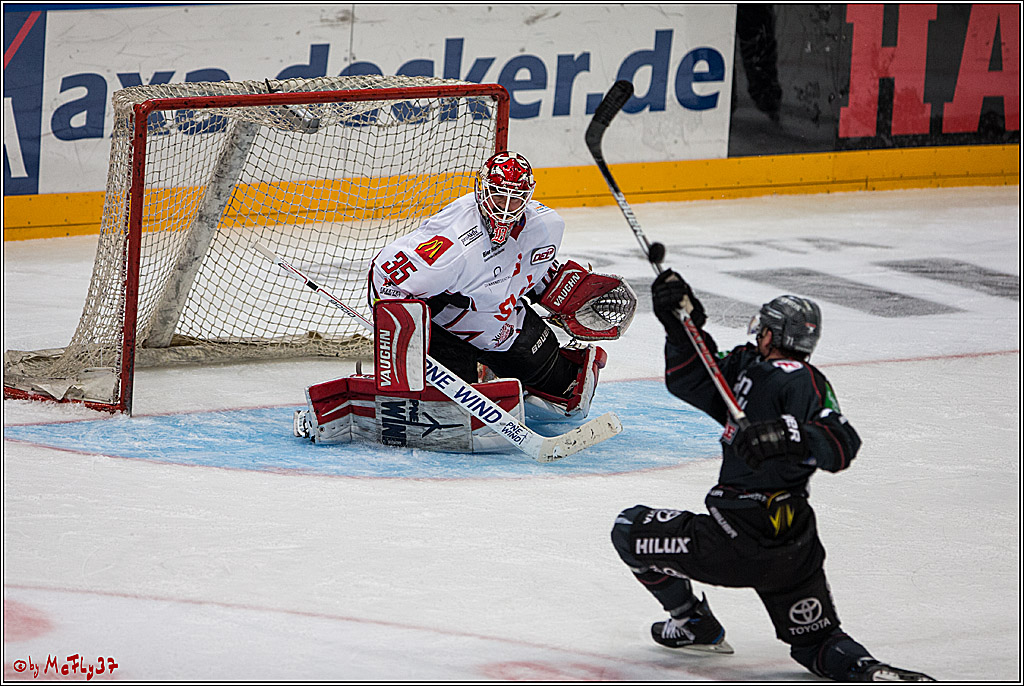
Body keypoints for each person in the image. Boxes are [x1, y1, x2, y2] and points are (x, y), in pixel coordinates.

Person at [609, 268, 934, 682]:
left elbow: (842, 443)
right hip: (792, 548)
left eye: (763, 328)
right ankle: (869, 672)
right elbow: (695, 378)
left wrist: (786, 434)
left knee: (628, 529)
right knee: (818, 643)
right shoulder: (751, 369)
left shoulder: (799, 380)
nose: (757, 334)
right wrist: (681, 325)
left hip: (730, 542)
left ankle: (692, 622)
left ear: (771, 334)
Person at [368, 151, 633, 421]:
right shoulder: (453, 244)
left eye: (514, 198)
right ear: (482, 189)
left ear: (527, 197)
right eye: (498, 195)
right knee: (450, 413)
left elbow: (531, 269)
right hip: (447, 327)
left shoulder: (547, 226)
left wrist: (558, 289)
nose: (505, 208)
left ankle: (489, 370)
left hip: (503, 321)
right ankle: (451, 378)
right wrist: (403, 346)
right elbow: (385, 276)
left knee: (564, 386)